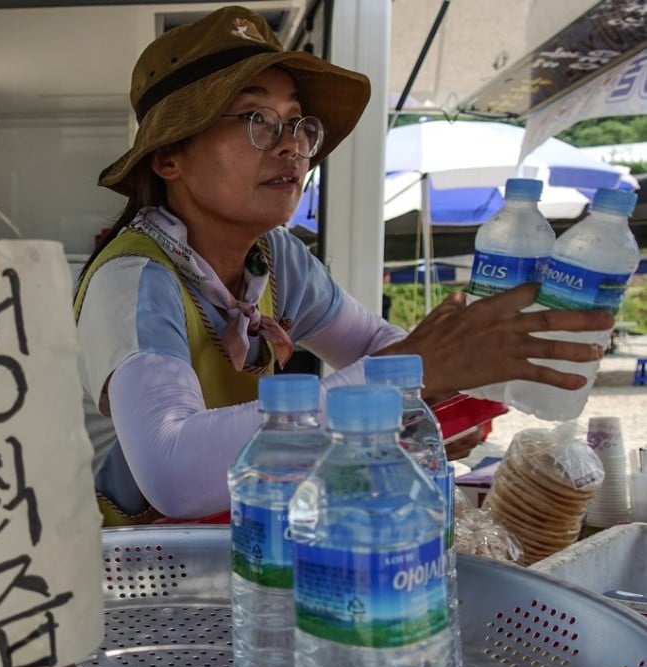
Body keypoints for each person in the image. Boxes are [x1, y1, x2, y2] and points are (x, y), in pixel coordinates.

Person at [73, 6, 614, 526]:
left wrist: (483, 364)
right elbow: (173, 471)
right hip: (135, 573)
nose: (292, 148)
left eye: (297, 124)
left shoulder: (274, 257)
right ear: (169, 157)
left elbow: (378, 347)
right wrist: (412, 376)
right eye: (257, 120)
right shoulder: (134, 281)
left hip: (244, 543)